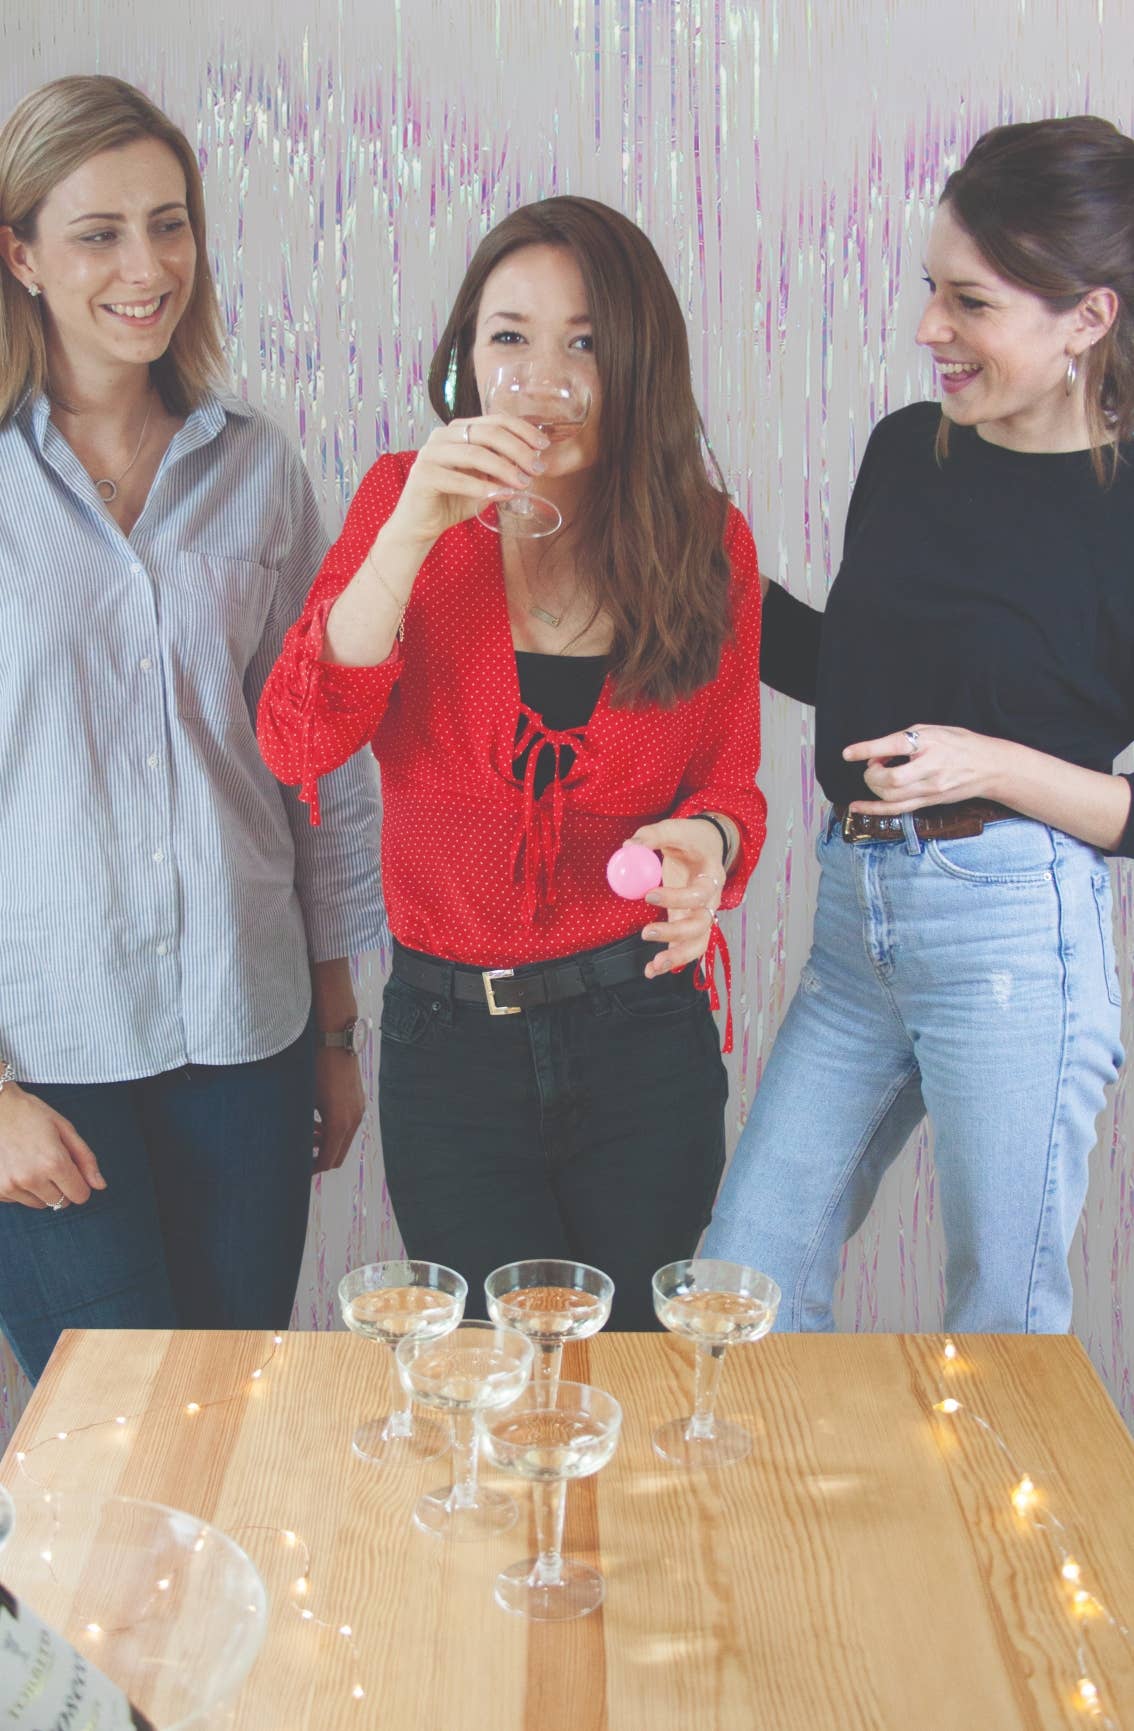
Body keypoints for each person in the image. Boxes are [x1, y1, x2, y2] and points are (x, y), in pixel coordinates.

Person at [258, 196, 765, 1330]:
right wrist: (412, 530)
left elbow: (731, 784)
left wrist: (708, 845)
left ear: (639, 360)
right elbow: (301, 738)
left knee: (633, 1369)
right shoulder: (403, 503)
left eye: (585, 342)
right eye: (509, 338)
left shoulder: (706, 539)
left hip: (645, 1034)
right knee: (493, 1378)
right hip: (452, 1049)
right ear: (466, 359)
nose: (543, 379)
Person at [706, 115, 1134, 1334]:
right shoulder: (908, 451)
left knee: (999, 1322)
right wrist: (697, 558)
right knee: (740, 1287)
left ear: (1088, 319)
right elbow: (849, 675)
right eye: (929, 290)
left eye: (970, 302)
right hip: (858, 929)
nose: (928, 329)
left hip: (1016, 936)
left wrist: (991, 762)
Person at [0, 75, 388, 1383]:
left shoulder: (258, 468)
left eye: (169, 225)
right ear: (21, 255)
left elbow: (315, 761)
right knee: (114, 1449)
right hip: (44, 1057)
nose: (147, 266)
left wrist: (333, 1032)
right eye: (99, 233)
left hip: (247, 1040)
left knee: (232, 1427)